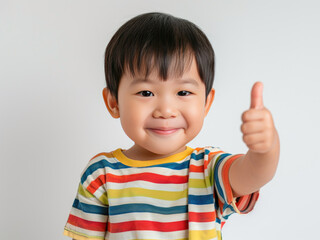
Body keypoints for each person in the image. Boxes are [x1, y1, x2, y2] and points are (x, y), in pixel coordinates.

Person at [63, 12, 280, 240]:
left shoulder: (208, 169)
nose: (166, 110)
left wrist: (266, 148)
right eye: (146, 92)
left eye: (183, 92)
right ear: (114, 102)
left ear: (206, 103)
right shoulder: (101, 174)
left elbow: (254, 173)